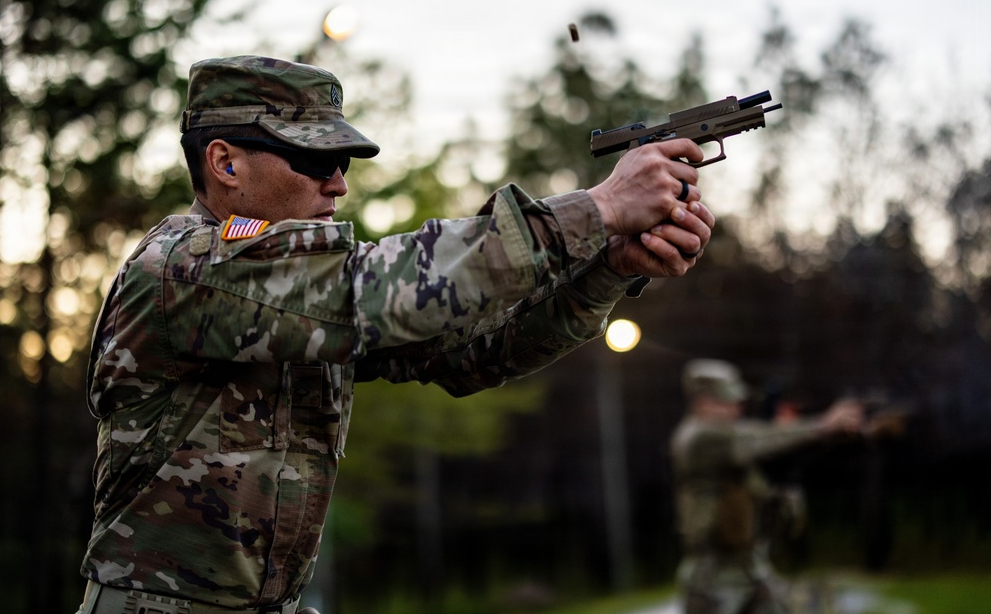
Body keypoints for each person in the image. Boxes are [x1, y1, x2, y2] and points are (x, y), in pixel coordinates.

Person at [76, 55, 716, 614]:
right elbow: (383, 287)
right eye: (314, 156)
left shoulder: (292, 292)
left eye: (342, 160)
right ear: (225, 163)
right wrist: (597, 209)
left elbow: (474, 354)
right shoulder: (183, 268)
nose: (339, 181)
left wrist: (608, 269)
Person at [670, 359, 864, 614]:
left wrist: (855, 431)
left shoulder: (728, 445)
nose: (736, 409)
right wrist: (822, 425)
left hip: (747, 566)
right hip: (713, 575)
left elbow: (766, 473)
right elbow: (754, 439)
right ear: (704, 402)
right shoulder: (698, 438)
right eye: (727, 402)